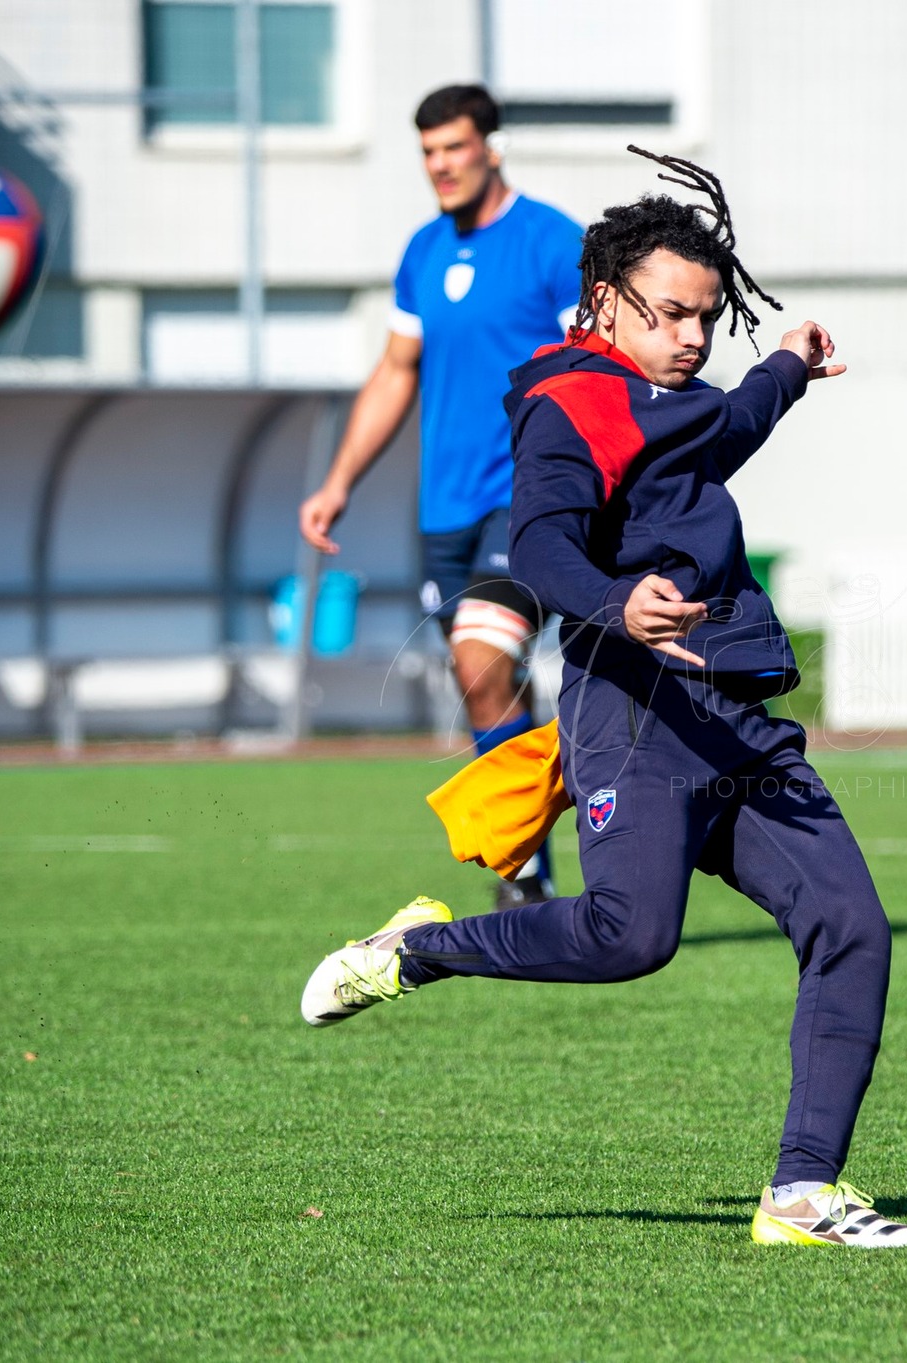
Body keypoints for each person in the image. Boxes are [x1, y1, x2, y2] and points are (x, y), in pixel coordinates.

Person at [300, 150, 907, 1249]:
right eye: (671, 313)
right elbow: (538, 541)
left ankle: (801, 1195)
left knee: (852, 927)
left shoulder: (680, 399)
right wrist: (612, 601)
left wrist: (782, 363)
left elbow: (728, 428)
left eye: (708, 316)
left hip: (735, 713)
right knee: (628, 936)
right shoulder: (569, 398)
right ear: (603, 300)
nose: (693, 336)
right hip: (633, 709)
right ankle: (418, 951)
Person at [298, 84, 582, 909]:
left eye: (455, 148)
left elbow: (594, 369)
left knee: (478, 654)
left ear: (491, 147)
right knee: (489, 682)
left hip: (527, 499)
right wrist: (337, 483)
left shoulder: (550, 243)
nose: (441, 166)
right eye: (427, 153)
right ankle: (535, 855)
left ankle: (523, 873)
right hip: (444, 512)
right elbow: (395, 372)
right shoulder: (424, 251)